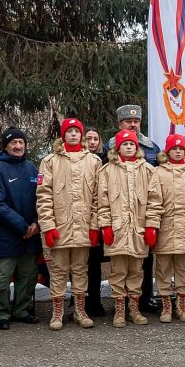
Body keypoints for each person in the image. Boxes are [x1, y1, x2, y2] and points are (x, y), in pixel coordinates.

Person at [37, 117, 101, 330]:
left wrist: (94, 226)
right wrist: (48, 226)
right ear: (62, 135)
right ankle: (57, 311)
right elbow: (43, 196)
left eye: (76, 131)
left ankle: (80, 310)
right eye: (69, 131)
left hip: (83, 226)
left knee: (81, 270)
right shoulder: (50, 161)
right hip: (60, 226)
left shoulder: (93, 161)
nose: (73, 134)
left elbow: (98, 198)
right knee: (58, 270)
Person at [96, 129, 163, 326]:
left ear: (137, 147)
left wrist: (152, 226)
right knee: (117, 272)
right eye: (124, 144)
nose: (128, 147)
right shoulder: (106, 171)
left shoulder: (148, 170)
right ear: (117, 148)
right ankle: (119, 310)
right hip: (117, 230)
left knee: (136, 272)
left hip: (139, 231)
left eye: (132, 144)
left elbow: (155, 201)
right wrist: (105, 226)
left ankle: (134, 309)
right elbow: (102, 202)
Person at [0, 126, 41, 329]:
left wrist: (36, 222)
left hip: (31, 233)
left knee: (28, 276)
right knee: (1, 278)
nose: (18, 146)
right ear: (6, 146)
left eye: (21, 143)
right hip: (6, 233)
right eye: (13, 143)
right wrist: (22, 226)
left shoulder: (32, 168)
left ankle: (21, 310)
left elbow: (42, 199)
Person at [112, 104, 163, 314]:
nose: (132, 125)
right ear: (119, 124)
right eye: (128, 121)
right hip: (119, 212)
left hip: (142, 213)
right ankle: (119, 304)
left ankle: (144, 299)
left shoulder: (152, 147)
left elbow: (157, 179)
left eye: (136, 121)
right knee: (119, 263)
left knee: (144, 261)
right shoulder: (110, 147)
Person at [152, 133, 185, 323]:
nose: (178, 152)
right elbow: (154, 201)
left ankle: (181, 305)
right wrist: (153, 226)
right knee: (163, 269)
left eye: (181, 149)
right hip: (165, 227)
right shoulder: (158, 172)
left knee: (183, 269)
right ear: (167, 151)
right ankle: (166, 306)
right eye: (174, 149)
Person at [80, 126, 109, 319]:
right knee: (79, 264)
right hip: (79, 219)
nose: (92, 142)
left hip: (98, 219)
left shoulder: (106, 162)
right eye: (88, 139)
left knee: (95, 264)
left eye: (95, 139)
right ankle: (80, 303)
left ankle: (95, 300)